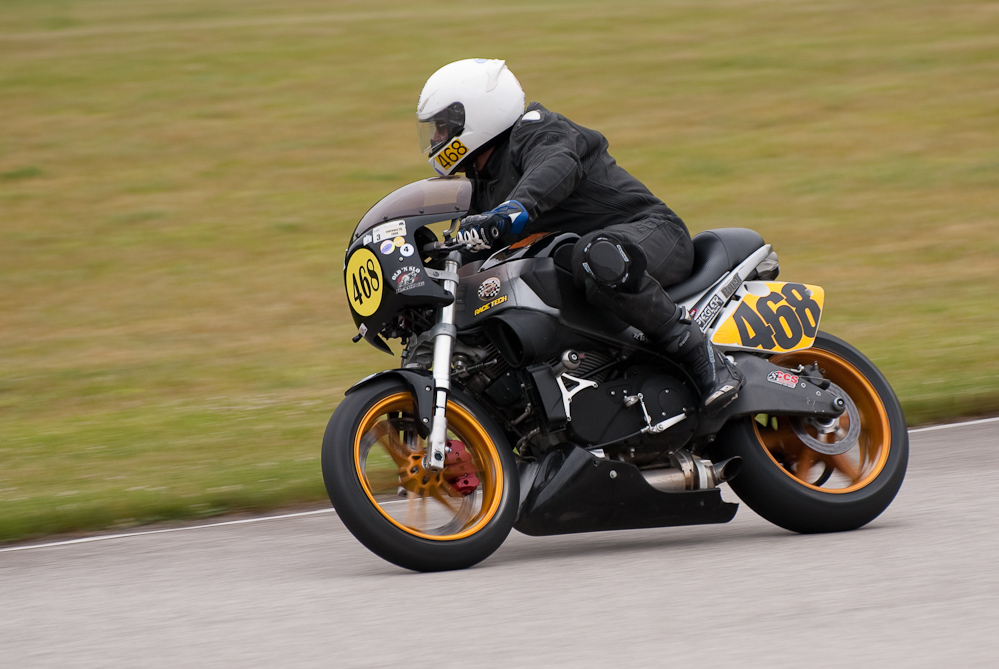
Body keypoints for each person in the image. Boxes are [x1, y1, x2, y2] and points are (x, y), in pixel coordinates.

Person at [417, 58, 743, 415]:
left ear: (478, 114)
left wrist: (511, 211)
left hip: (651, 235)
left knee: (594, 254)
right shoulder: (481, 188)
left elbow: (557, 165)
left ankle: (704, 356)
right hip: (591, 268)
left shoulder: (538, 130)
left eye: (444, 126)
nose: (436, 138)